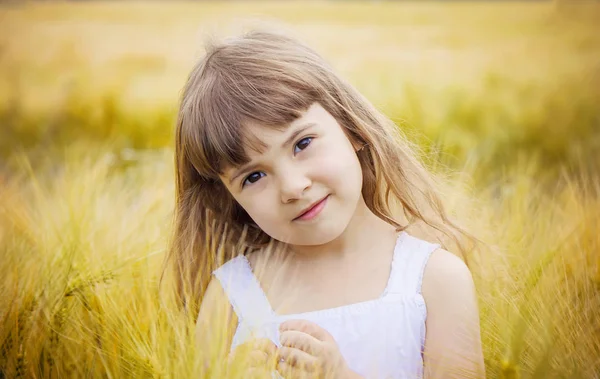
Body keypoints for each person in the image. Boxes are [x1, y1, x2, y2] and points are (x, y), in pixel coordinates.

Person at [167, 29, 486, 378]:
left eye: (302, 144)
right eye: (253, 177)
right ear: (229, 198)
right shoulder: (230, 297)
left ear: (352, 128)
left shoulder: (435, 280)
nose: (292, 187)